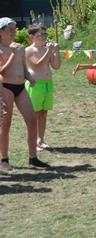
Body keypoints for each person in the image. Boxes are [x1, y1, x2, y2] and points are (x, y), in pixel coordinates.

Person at [0, 17, 49, 170]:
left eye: (14, 30)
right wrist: (13, 54)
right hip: (5, 87)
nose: (13, 33)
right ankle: (4, 160)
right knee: (6, 124)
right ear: (1, 31)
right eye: (10, 30)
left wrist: (29, 77)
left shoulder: (20, 48)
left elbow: (24, 67)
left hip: (21, 87)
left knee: (32, 120)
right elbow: (3, 72)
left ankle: (33, 158)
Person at [25, 24, 61, 151]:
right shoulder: (29, 50)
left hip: (47, 84)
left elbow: (56, 66)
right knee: (34, 114)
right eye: (41, 35)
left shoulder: (46, 49)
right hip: (35, 85)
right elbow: (37, 66)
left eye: (45, 34)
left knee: (43, 113)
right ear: (32, 37)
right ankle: (33, 141)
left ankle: (41, 140)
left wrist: (56, 51)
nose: (44, 37)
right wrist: (49, 51)